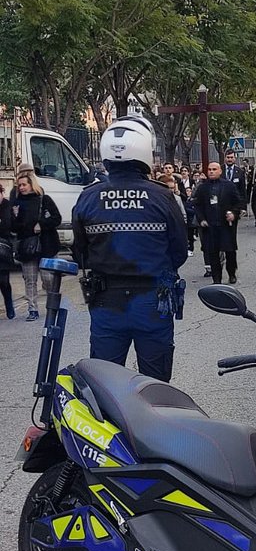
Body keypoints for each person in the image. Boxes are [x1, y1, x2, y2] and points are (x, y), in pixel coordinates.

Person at [72, 115, 188, 382]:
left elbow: (79, 252)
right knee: (155, 383)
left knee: (105, 382)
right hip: (153, 300)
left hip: (106, 301)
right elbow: (180, 250)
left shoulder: (88, 196)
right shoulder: (162, 196)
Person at [11, 169, 61, 322]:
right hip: (27, 247)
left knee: (48, 278)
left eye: (24, 185)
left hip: (46, 245)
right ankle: (32, 309)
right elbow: (14, 227)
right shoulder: (17, 203)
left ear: (32, 185)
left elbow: (57, 218)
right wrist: (16, 217)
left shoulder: (44, 200)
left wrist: (42, 224)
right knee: (30, 280)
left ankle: (52, 305)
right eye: (19, 185)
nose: (21, 188)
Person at [193, 161, 241, 284]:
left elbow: (237, 202)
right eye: (209, 169)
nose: (211, 172)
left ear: (220, 171)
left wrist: (233, 213)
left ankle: (231, 273)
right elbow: (197, 205)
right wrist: (201, 219)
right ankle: (217, 279)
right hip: (210, 226)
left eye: (214, 169)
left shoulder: (229, 186)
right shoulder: (203, 188)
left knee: (230, 251)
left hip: (226, 225)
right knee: (213, 253)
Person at [0, 183, 15, 319]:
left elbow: (8, 226)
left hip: (3, 248)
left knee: (4, 281)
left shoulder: (7, 206)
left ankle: (9, 306)